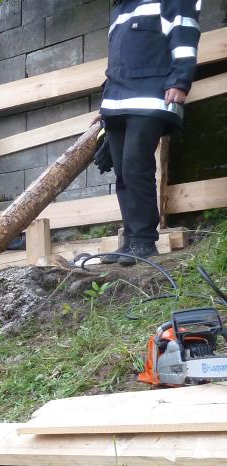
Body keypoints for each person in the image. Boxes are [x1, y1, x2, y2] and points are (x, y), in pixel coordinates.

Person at [100, 0, 200, 266]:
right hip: (116, 102)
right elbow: (117, 62)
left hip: (150, 98)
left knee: (136, 168)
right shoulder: (120, 9)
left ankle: (144, 241)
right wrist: (104, 108)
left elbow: (185, 36)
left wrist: (180, 81)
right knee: (123, 174)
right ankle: (131, 241)